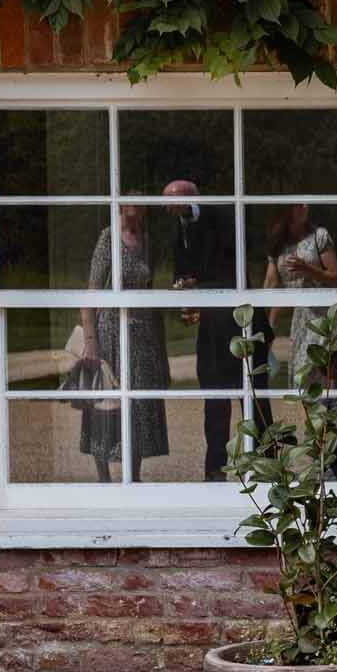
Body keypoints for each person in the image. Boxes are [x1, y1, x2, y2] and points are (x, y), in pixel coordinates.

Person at [78, 201, 170, 483]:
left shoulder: (148, 242)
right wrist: (90, 340)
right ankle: (103, 476)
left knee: (139, 405)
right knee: (106, 402)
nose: (135, 210)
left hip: (143, 333)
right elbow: (92, 292)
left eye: (141, 205)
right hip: (110, 333)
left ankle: (134, 475)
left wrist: (162, 351)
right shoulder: (108, 238)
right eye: (129, 205)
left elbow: (151, 293)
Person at [162, 180, 240, 480]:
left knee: (252, 396)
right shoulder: (178, 228)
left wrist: (201, 288)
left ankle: (267, 466)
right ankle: (215, 470)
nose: (165, 209)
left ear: (185, 198)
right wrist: (186, 294)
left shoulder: (222, 218)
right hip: (209, 325)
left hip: (237, 321)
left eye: (168, 202)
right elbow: (182, 268)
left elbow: (232, 270)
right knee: (213, 395)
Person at [260, 204, 337, 385]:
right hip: (301, 320)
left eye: (306, 202)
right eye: (298, 204)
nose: (305, 206)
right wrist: (267, 324)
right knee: (302, 379)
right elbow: (272, 286)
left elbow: (336, 279)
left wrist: (308, 269)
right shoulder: (279, 246)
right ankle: (311, 415)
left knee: (325, 374)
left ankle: (329, 411)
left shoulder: (319, 236)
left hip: (325, 315)